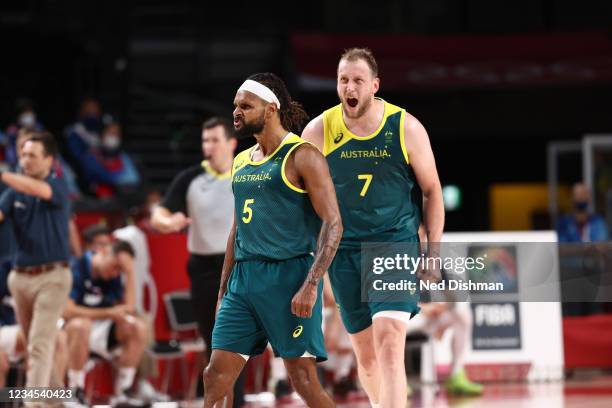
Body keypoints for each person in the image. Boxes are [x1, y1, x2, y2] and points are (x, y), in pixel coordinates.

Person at [302, 48, 445, 407]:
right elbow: (299, 195)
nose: (349, 87)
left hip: (393, 243)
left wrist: (432, 254)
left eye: (358, 81)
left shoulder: (405, 127)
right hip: (343, 250)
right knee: (365, 358)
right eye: (343, 80)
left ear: (374, 86)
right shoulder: (319, 130)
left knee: (389, 340)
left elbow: (432, 191)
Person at [203, 73, 342, 408]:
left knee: (303, 379)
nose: (236, 112)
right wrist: (223, 291)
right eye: (235, 105)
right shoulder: (240, 161)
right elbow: (237, 230)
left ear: (270, 109)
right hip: (244, 280)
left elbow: (334, 224)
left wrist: (311, 284)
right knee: (215, 374)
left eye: (245, 106)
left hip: (289, 277)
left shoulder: (302, 155)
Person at [150, 117, 245, 405]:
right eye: (205, 140)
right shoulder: (190, 179)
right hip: (203, 268)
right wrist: (167, 222)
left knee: (234, 341)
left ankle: (234, 401)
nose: (208, 146)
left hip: (240, 266)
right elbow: (159, 213)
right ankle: (218, 399)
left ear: (231, 143)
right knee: (211, 341)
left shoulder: (247, 174)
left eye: (215, 140)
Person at [0, 132, 73, 391]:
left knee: (39, 343)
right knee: (34, 346)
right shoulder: (13, 194)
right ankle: (55, 399)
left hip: (51, 276)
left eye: (32, 155)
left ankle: (34, 402)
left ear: (49, 161)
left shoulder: (58, 185)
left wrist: (3, 174)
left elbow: (37, 190)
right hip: (19, 278)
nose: (25, 160)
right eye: (23, 154)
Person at [63, 240, 148, 407]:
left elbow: (128, 309)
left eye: (120, 270)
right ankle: (75, 392)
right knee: (81, 326)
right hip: (71, 329)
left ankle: (123, 392)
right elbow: (67, 311)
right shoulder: (76, 265)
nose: (116, 273)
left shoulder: (112, 277)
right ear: (103, 251)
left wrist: (129, 271)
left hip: (101, 329)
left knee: (138, 327)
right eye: (116, 266)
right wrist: (108, 313)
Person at [406, 303, 483, 395]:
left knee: (462, 314)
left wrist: (440, 306)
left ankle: (456, 374)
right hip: (401, 313)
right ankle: (394, 379)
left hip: (425, 316)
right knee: (394, 322)